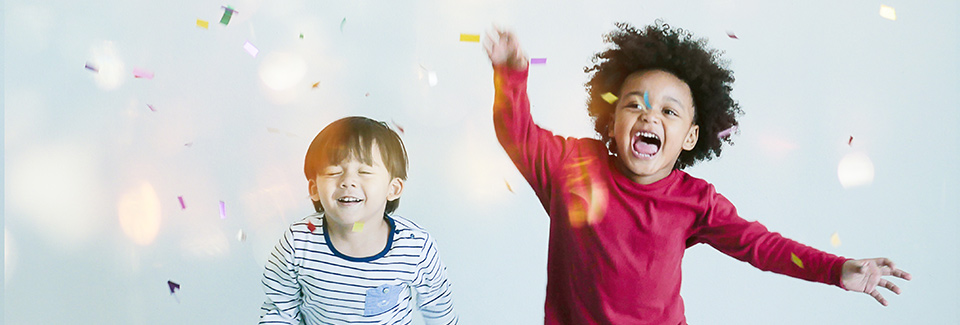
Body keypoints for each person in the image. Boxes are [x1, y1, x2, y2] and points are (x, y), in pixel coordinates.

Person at [484, 21, 911, 324]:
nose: (649, 116)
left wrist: (836, 270)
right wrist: (509, 73)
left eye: (669, 111)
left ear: (690, 136)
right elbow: (515, 132)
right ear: (611, 120)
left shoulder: (696, 200)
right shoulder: (572, 166)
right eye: (635, 104)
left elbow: (763, 247)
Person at [259, 116, 458, 325]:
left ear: (393, 188)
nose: (348, 181)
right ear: (314, 189)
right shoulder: (297, 243)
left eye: (364, 172)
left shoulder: (415, 247)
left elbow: (438, 307)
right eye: (334, 171)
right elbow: (280, 310)